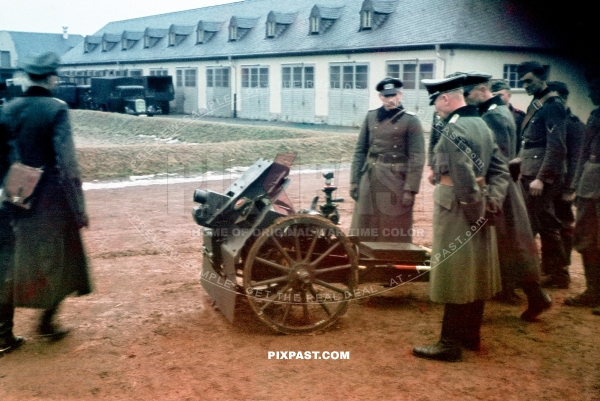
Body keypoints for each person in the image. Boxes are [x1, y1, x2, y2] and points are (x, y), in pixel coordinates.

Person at [413, 74, 510, 362]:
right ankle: (470, 336)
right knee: (475, 273)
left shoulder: (453, 130)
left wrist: (475, 212)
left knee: (455, 274)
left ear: (445, 99)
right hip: (480, 208)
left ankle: (449, 344)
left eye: (436, 103)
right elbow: (500, 170)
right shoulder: (480, 123)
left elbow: (465, 179)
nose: (436, 109)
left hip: (459, 210)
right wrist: (490, 204)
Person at [0, 52, 92, 354]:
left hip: (13, 196)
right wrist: (78, 208)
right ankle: (46, 323)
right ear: (52, 78)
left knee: (8, 263)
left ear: (28, 77)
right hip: (50, 202)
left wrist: (10, 186)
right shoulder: (56, 109)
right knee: (63, 262)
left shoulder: (8, 109)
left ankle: (2, 335)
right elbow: (67, 165)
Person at [462, 71, 551, 320]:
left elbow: (496, 159)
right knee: (510, 245)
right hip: (501, 186)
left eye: (468, 95)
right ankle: (528, 295)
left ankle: (536, 296)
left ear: (482, 90)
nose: (467, 100)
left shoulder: (494, 116)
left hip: (498, 189)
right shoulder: (496, 111)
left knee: (511, 246)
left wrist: (486, 190)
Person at [350, 77, 425, 243]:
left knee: (392, 224)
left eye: (393, 95)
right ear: (380, 97)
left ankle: (392, 261)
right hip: (369, 178)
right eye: (386, 96)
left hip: (395, 180)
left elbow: (417, 157)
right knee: (365, 223)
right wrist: (354, 181)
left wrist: (410, 189)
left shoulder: (411, 120)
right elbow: (360, 151)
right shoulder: (370, 117)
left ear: (400, 95)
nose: (390, 99)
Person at [516, 61, 570, 289]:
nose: (526, 85)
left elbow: (556, 146)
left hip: (541, 175)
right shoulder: (537, 103)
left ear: (542, 77)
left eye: (529, 81)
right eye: (523, 82)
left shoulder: (552, 105)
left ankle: (556, 273)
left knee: (542, 223)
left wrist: (542, 177)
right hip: (530, 170)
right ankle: (553, 272)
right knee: (541, 221)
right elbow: (530, 140)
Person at [564, 75, 600, 311]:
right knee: (587, 240)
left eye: (594, 86)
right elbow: (583, 154)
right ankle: (593, 292)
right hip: (590, 185)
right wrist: (575, 185)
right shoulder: (595, 115)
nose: (589, 92)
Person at [546, 81, 586, 268]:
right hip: (549, 183)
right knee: (549, 226)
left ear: (562, 98)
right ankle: (550, 267)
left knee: (563, 226)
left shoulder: (574, 124)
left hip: (563, 186)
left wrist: (570, 188)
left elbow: (576, 158)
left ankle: (561, 270)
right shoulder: (552, 120)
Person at [491, 80, 526, 153]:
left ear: (509, 96)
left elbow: (522, 140)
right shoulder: (487, 115)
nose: (496, 98)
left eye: (500, 95)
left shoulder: (519, 116)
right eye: (493, 95)